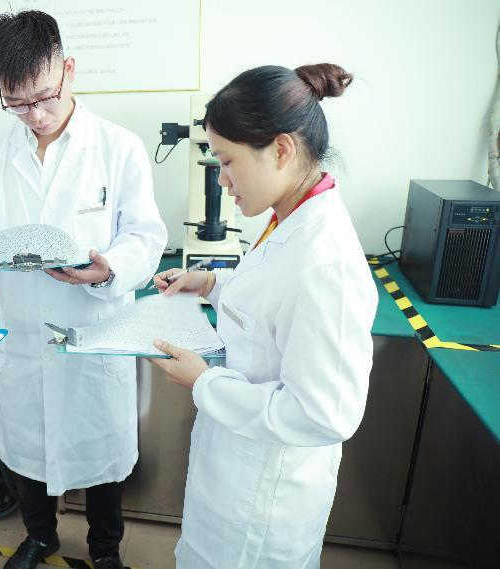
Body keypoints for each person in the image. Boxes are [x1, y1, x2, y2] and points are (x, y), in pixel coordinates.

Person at [0, 10, 167, 569]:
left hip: (94, 327)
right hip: (24, 333)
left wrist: (107, 270)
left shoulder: (119, 147)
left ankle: (105, 551)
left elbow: (146, 236)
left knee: (103, 454)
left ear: (69, 70)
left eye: (44, 97)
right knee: (26, 447)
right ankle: (40, 538)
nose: (35, 115)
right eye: (17, 103)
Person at [151, 64, 378, 568]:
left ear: (281, 149)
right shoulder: (291, 216)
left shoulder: (327, 263)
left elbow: (324, 415)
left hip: (263, 505)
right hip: (232, 472)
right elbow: (270, 297)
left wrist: (204, 382)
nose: (222, 180)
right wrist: (212, 283)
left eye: (228, 162)